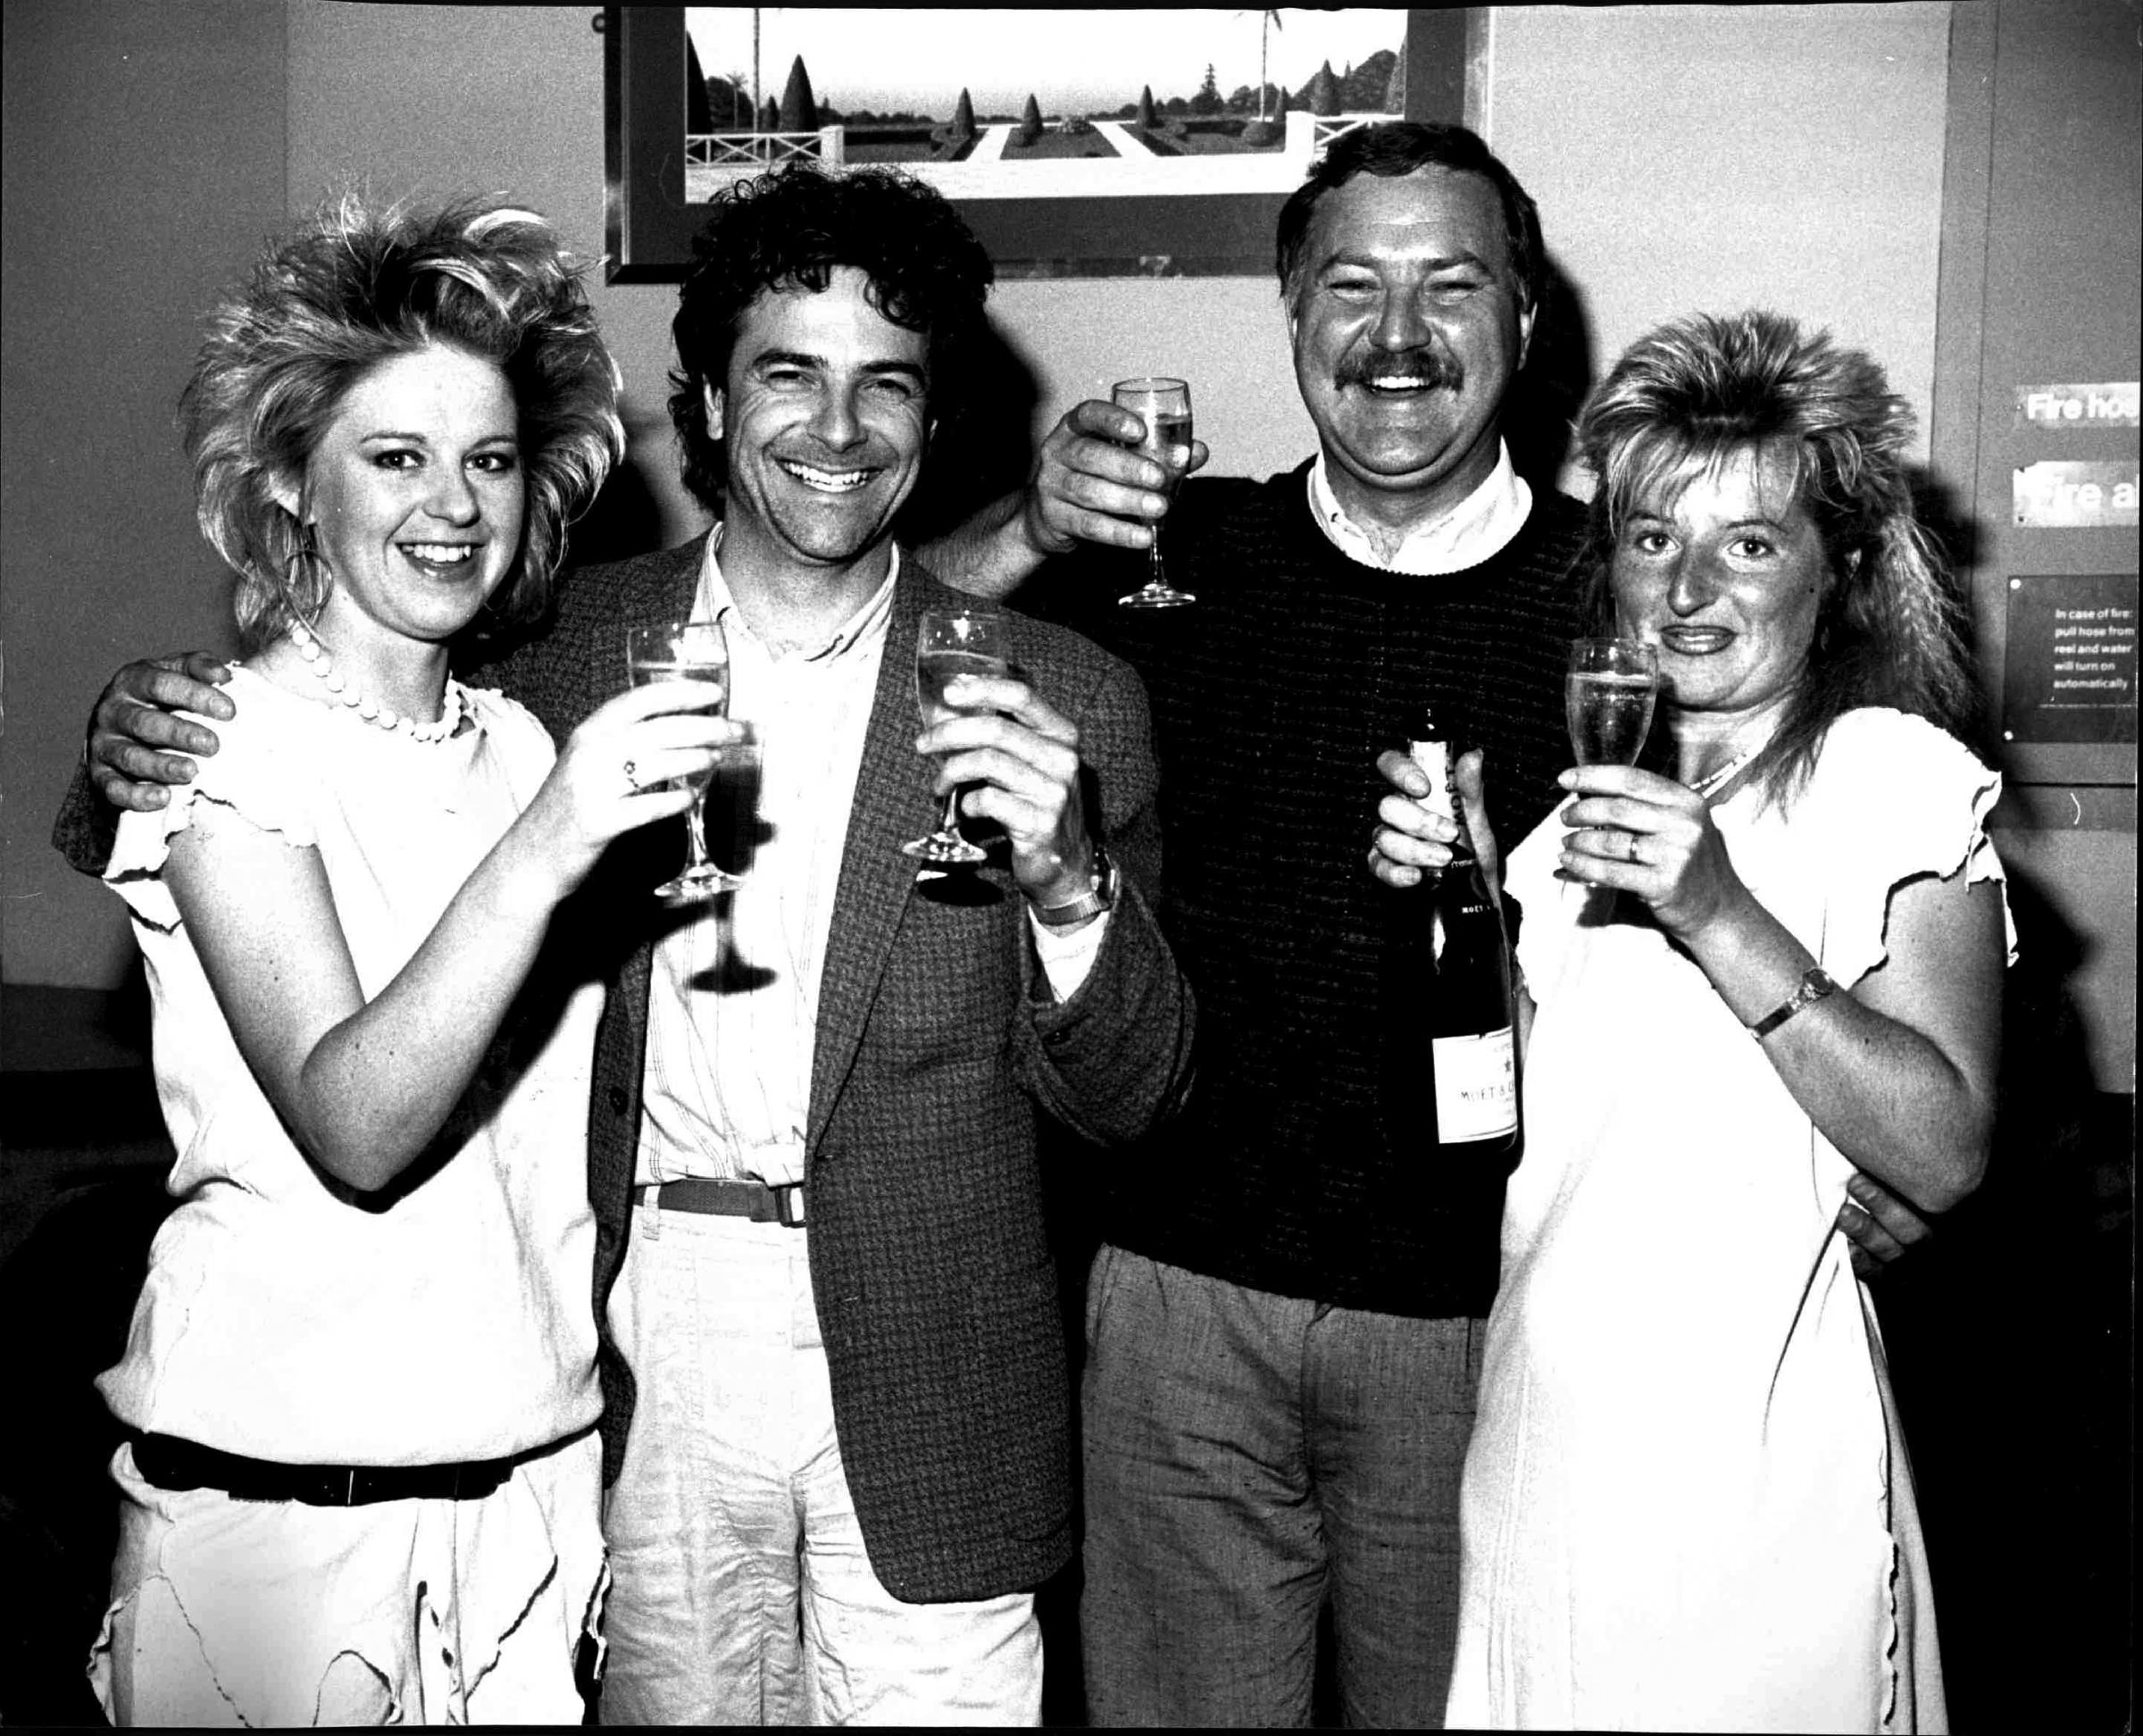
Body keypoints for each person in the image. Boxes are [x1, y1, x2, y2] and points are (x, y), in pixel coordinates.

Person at [61, 163, 1195, 1725]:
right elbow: (328, 695)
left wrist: (1071, 890)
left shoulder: (1065, 695)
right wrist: (132, 725)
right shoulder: (562, 655)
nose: (838, 430)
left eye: (889, 389)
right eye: (787, 378)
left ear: (940, 429)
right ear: (712, 412)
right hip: (626, 1345)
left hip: (935, 1360)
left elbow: (1136, 1098)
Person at [921, 122, 1935, 1727]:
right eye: (1351, 289)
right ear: (1291, 318)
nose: (1398, 338)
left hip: (1487, 1339)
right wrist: (1032, 523)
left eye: (1451, 287)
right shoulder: (1181, 558)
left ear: (1526, 324)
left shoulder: (1635, 608)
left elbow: (1816, 885)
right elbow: (886, 640)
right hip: (1183, 1305)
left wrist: (1855, 1178)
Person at [74, 196, 731, 1725]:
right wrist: (562, 833)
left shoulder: (515, 743)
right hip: (276, 1522)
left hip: (528, 1503)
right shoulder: (220, 749)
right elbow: (355, 1125)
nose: (453, 505)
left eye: (490, 460)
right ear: (295, 482)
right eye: (395, 456)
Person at [1388, 311, 2008, 1731]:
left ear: (1837, 572)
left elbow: (1948, 1148)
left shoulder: (1889, 777)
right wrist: (1467, 901)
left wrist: (1716, 906)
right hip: (1541, 1464)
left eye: (1749, 542)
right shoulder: (1567, 835)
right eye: (1654, 539)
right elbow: (1512, 1138)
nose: (1687, 587)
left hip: (1750, 1493)